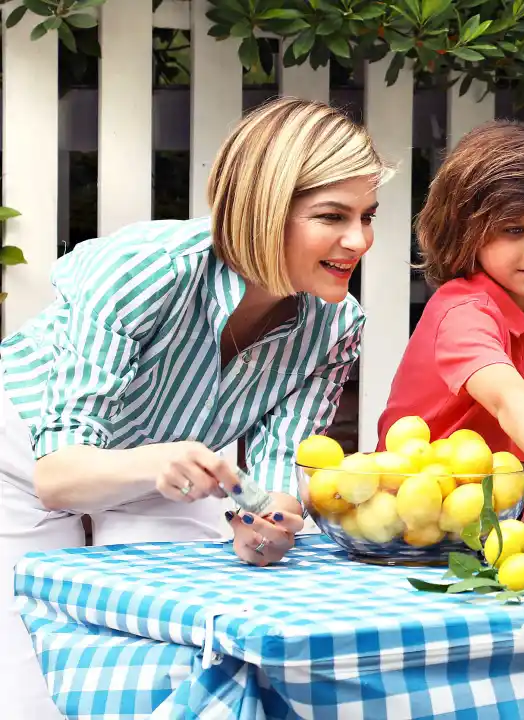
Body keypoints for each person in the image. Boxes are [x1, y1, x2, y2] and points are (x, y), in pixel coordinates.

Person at [0, 97, 390, 718]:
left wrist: (271, 527)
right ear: (264, 211)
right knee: (31, 696)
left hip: (166, 476)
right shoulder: (147, 270)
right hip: (26, 467)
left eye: (368, 216)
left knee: (174, 665)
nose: (359, 240)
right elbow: (58, 476)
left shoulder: (334, 325)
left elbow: (280, 479)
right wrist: (153, 461)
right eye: (332, 216)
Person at [375, 120, 524, 516]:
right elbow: (509, 400)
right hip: (416, 518)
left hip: (502, 522)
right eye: (514, 230)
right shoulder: (463, 311)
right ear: (467, 230)